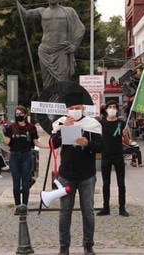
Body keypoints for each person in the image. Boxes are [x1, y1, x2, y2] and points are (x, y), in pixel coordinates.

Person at [50, 93, 102, 255]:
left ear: (83, 108)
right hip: (67, 174)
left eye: (77, 108)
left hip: (87, 174)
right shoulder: (59, 123)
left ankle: (88, 245)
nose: (74, 111)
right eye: (71, 109)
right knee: (65, 211)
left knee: (88, 210)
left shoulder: (92, 124)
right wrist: (63, 128)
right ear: (66, 110)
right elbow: (52, 145)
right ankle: (64, 246)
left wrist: (88, 143)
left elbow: (101, 147)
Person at [11, 0, 85, 89]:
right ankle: (49, 103)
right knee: (47, 82)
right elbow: (26, 14)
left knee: (63, 80)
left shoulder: (69, 11)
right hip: (45, 50)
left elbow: (81, 28)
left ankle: (62, 103)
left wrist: (74, 45)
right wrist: (15, 0)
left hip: (62, 50)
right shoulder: (42, 11)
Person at [3, 106, 48, 214]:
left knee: (26, 181)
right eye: (17, 114)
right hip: (14, 156)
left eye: (21, 114)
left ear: (25, 114)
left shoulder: (31, 128)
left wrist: (48, 146)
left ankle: (25, 206)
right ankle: (18, 206)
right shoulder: (11, 127)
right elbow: (7, 142)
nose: (19, 116)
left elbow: (36, 142)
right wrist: (1, 133)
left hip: (26, 156)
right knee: (16, 182)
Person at [97, 100, 131, 217]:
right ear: (106, 109)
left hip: (118, 156)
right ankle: (105, 207)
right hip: (105, 156)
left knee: (121, 183)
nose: (112, 109)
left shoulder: (121, 123)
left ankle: (122, 208)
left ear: (117, 109)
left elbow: (128, 142)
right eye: (109, 107)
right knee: (106, 183)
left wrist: (125, 135)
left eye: (114, 107)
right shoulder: (101, 123)